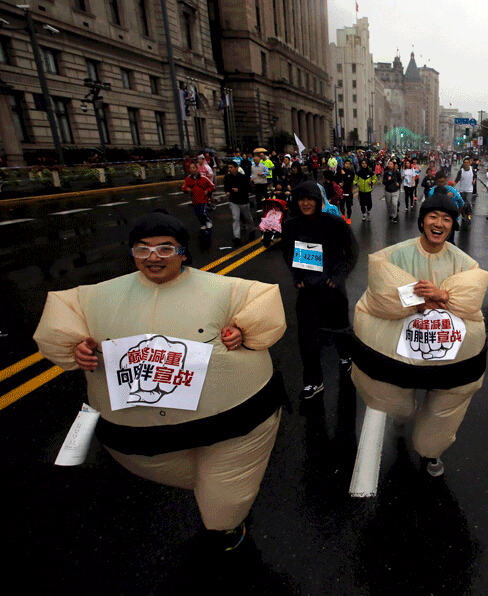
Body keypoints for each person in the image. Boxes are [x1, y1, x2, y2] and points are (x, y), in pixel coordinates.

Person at [33, 210, 287, 551]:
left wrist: (242, 329)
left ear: (183, 252)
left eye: (165, 248)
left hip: (232, 423)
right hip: (137, 438)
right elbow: (62, 316)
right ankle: (215, 500)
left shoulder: (224, 289)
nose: (153, 257)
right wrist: (76, 348)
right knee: (202, 479)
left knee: (223, 494)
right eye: (143, 249)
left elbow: (262, 303)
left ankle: (224, 525)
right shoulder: (95, 298)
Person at [350, 189, 488, 477]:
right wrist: (416, 302)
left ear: (452, 225)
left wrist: (445, 295)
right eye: (433, 217)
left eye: (446, 219)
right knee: (396, 402)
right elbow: (380, 295)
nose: (439, 224)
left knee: (444, 410)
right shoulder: (395, 255)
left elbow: (471, 301)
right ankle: (402, 413)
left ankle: (432, 450)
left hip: (448, 355)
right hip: (401, 348)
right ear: (423, 221)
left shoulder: (464, 262)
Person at [280, 181, 359, 400]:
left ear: (318, 200)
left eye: (310, 199)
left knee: (340, 327)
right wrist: (297, 277)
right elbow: (288, 253)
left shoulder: (334, 222)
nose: (305, 203)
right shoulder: (291, 226)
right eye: (301, 199)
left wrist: (339, 277)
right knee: (306, 336)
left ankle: (346, 357)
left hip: (333, 288)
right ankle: (313, 381)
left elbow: (352, 250)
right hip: (308, 291)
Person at [428, 170, 465, 244]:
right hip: (437, 220)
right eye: (439, 182)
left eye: (443, 182)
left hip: (450, 220)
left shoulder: (453, 191)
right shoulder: (432, 192)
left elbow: (461, 203)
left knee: (449, 242)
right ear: (436, 181)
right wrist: (446, 197)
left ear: (445, 181)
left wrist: (457, 214)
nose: (441, 184)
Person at [224, 161, 253, 245]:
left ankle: (252, 230)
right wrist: (227, 192)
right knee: (235, 218)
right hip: (233, 201)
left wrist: (239, 190)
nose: (230, 169)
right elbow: (226, 187)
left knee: (248, 217)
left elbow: (248, 189)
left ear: (236, 168)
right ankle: (237, 237)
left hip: (243, 201)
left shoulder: (243, 177)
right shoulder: (227, 177)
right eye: (229, 167)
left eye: (231, 167)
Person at [182, 162, 216, 230]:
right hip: (194, 199)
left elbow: (212, 186)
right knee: (197, 213)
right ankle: (203, 224)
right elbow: (184, 188)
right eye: (190, 168)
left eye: (193, 168)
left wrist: (207, 191)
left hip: (203, 198)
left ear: (197, 169)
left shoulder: (203, 178)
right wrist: (187, 189)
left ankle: (208, 220)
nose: (192, 169)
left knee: (202, 212)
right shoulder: (188, 179)